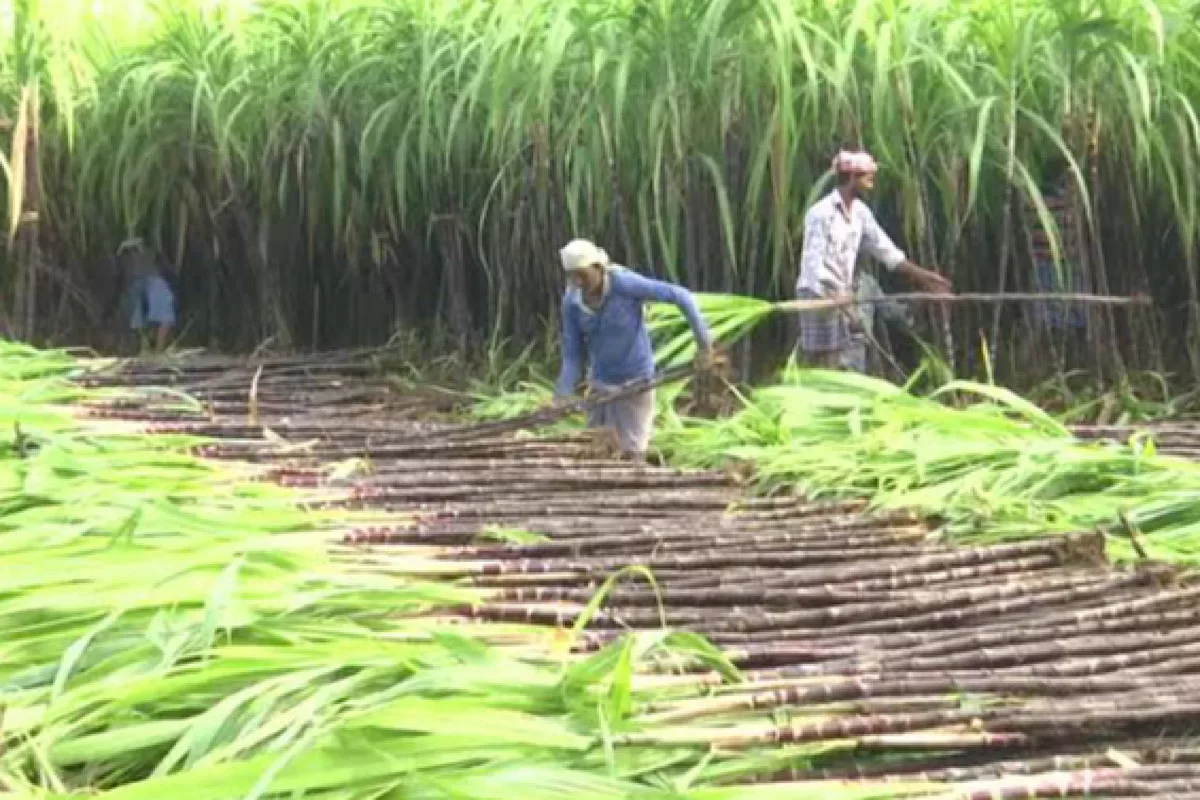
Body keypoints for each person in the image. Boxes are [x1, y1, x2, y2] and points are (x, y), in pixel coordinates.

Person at [553, 238, 715, 461]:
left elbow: (681, 296)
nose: (578, 282)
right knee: (596, 452)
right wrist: (562, 394)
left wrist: (704, 346)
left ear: (598, 268)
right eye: (572, 276)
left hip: (636, 383)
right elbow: (572, 356)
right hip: (600, 386)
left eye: (583, 274)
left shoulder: (624, 285)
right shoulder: (572, 304)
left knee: (631, 454)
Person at [795, 149, 951, 371]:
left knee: (843, 358)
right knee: (822, 361)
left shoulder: (860, 213)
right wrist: (834, 295)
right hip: (817, 295)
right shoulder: (820, 214)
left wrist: (926, 277)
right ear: (851, 178)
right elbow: (813, 267)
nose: (872, 184)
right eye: (867, 178)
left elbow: (886, 251)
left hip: (844, 296)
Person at [115, 237, 177, 353]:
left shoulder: (141, 256)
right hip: (145, 283)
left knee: (141, 320)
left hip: (144, 284)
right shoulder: (139, 257)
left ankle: (152, 349)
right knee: (158, 318)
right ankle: (154, 349)